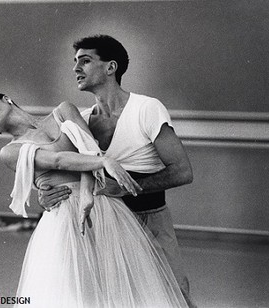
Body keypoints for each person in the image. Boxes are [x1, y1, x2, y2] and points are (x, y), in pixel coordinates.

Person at [0, 92, 188, 307]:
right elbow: (58, 160)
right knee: (77, 291)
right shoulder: (10, 151)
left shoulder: (63, 111)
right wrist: (103, 163)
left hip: (103, 207)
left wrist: (86, 193)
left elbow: (89, 149)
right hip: (64, 220)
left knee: (123, 287)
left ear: (6, 99)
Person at [39, 34, 197, 307]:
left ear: (111, 67)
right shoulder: (82, 119)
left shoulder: (146, 108)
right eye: (75, 62)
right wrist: (45, 194)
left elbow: (182, 171)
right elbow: (60, 167)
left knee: (172, 298)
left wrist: (124, 187)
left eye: (85, 61)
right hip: (101, 227)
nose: (76, 68)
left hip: (148, 221)